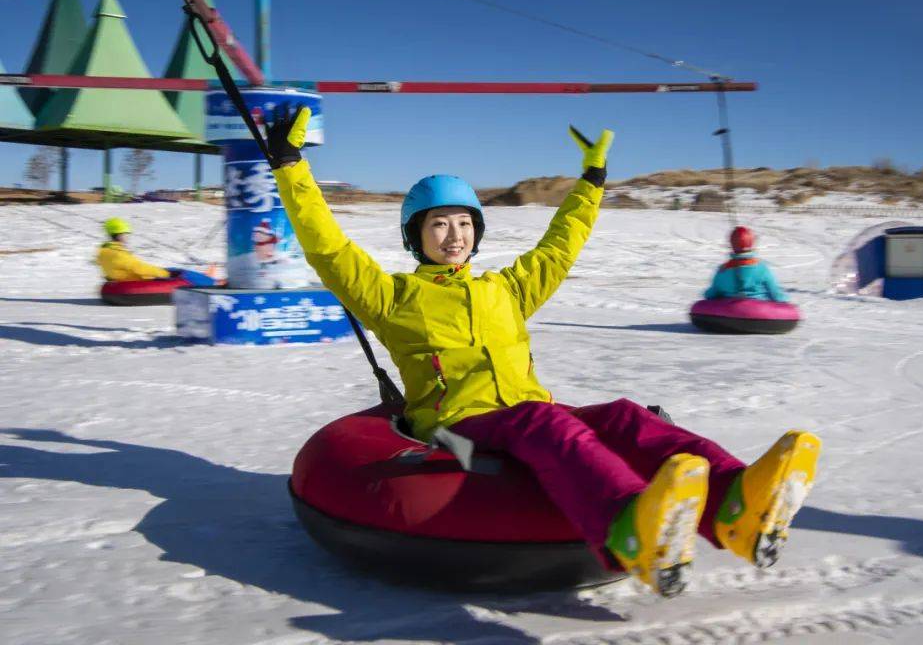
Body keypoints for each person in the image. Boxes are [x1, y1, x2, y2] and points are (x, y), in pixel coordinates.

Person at [267, 106, 820, 597]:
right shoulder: (392, 297)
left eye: (464, 223)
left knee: (625, 418)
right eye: (439, 224)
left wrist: (592, 182)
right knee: (543, 423)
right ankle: (628, 526)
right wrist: (292, 166)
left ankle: (736, 507)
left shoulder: (504, 289)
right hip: (462, 422)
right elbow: (328, 244)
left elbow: (560, 245)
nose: (454, 235)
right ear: (417, 236)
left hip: (529, 412)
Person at [97, 217, 216, 286]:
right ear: (118, 235)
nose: (126, 238)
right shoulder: (119, 254)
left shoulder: (104, 251)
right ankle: (210, 282)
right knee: (178, 272)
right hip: (138, 281)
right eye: (125, 235)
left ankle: (204, 278)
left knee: (170, 270)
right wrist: (164, 273)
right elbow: (140, 268)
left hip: (125, 279)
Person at [704, 226, 790, 302]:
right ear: (751, 242)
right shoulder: (761, 268)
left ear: (731, 244)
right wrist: (786, 300)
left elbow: (711, 294)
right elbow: (776, 294)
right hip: (759, 312)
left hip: (728, 313)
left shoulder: (723, 270)